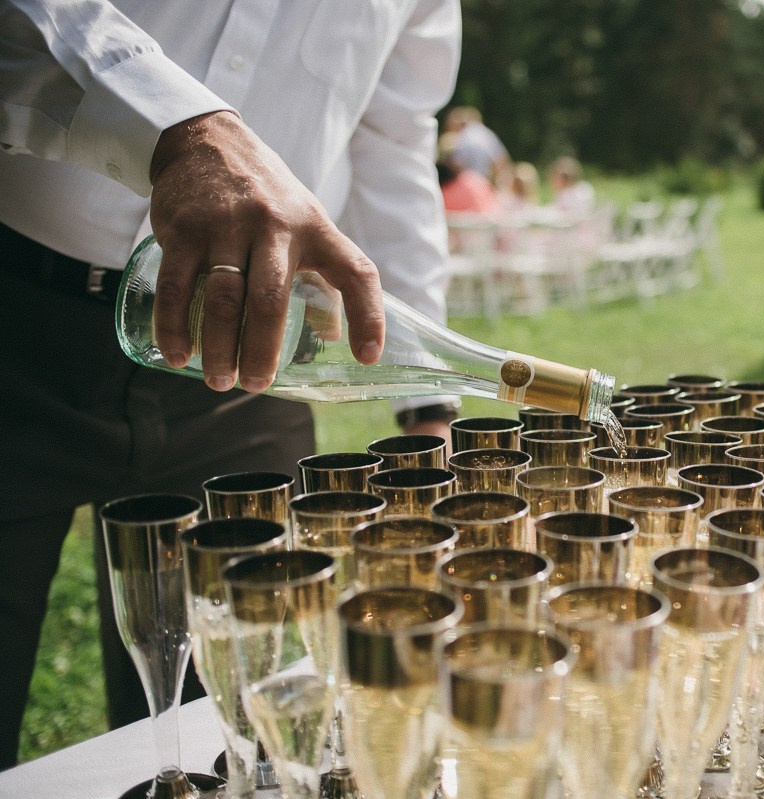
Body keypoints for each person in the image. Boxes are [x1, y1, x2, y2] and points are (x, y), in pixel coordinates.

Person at [0, 0, 462, 768]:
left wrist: (429, 409)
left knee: (228, 730)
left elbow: (395, 140)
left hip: (248, 355)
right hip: (18, 312)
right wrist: (177, 129)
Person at [444, 105, 511, 186]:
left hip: (468, 184)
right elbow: (501, 160)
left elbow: (457, 164)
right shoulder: (487, 133)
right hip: (484, 184)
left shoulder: (464, 136)